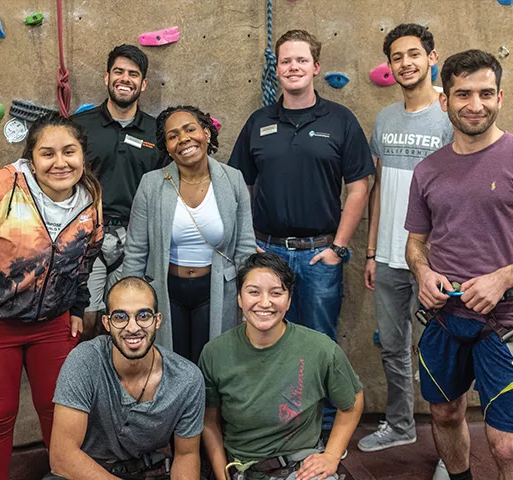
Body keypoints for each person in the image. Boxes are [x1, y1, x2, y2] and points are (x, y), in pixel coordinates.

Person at [0, 113, 104, 480]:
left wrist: (77, 304)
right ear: (31, 157)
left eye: (69, 152)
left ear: (82, 155)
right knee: (0, 416)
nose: (60, 162)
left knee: (57, 412)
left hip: (54, 324)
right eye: (48, 153)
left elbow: (87, 254)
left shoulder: (90, 194)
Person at [228, 29, 374, 435]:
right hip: (268, 256)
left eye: (300, 60)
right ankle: (279, 428)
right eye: (285, 61)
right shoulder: (260, 122)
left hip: (318, 256)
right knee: (266, 344)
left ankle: (325, 432)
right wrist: (249, 241)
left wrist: (339, 248)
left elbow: (360, 185)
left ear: (316, 68)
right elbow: (240, 184)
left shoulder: (340, 121)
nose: (292, 67)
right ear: (278, 68)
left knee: (320, 346)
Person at [405, 50, 513, 480]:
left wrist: (503, 278)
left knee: (505, 442)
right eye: (463, 94)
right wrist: (423, 272)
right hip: (445, 318)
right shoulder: (429, 169)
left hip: (504, 320)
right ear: (444, 100)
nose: (475, 104)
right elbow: (416, 242)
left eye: (486, 93)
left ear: (500, 97)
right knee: (446, 414)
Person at [359, 24, 454, 454]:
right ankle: (400, 426)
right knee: (394, 350)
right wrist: (373, 251)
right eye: (397, 57)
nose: (405, 63)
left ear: (432, 57)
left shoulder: (451, 116)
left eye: (414, 54)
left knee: (442, 356)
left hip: (438, 261)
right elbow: (379, 188)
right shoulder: (384, 118)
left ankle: (449, 451)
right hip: (391, 258)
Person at [199, 252, 363, 480]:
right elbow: (210, 423)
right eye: (253, 292)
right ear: (239, 298)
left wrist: (332, 456)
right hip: (244, 470)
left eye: (276, 293)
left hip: (301, 468)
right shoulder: (215, 352)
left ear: (289, 299)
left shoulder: (320, 348)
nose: (264, 303)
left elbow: (353, 402)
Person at [123, 105, 256, 363]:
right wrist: (132, 301)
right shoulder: (151, 184)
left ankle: (208, 406)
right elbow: (136, 249)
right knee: (171, 364)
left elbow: (245, 245)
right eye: (173, 136)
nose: (183, 139)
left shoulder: (233, 179)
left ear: (206, 133)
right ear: (167, 147)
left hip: (218, 289)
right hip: (166, 289)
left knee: (212, 364)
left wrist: (247, 294)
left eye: (190, 129)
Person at [46, 276, 204, 480]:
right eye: (121, 317)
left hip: (151, 471)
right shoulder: (84, 360)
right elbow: (62, 457)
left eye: (143, 316)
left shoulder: (187, 379)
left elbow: (187, 454)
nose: (132, 327)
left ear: (157, 320)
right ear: (107, 323)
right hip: (87, 472)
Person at [71, 44, 165, 339]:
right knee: (84, 320)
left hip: (137, 239)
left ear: (143, 84)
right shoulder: (79, 127)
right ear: (106, 77)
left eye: (133, 74)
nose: (125, 79)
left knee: (129, 320)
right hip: (88, 236)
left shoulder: (157, 133)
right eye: (119, 72)